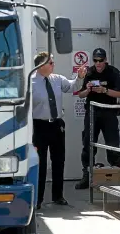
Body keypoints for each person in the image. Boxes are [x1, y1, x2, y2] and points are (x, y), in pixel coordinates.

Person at [32, 51, 86, 209]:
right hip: (39, 125)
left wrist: (80, 77)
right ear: (41, 65)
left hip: (56, 124)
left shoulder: (57, 79)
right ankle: (38, 199)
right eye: (50, 63)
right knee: (40, 163)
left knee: (58, 161)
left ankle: (58, 196)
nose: (53, 65)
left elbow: (72, 87)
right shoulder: (30, 82)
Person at [75, 48, 120, 190]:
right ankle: (87, 175)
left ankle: (116, 174)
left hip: (109, 112)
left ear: (105, 60)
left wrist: (105, 91)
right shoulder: (89, 72)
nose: (98, 63)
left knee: (112, 143)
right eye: (95, 60)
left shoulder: (113, 72)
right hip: (92, 112)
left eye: (100, 60)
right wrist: (89, 89)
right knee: (88, 144)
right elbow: (81, 94)